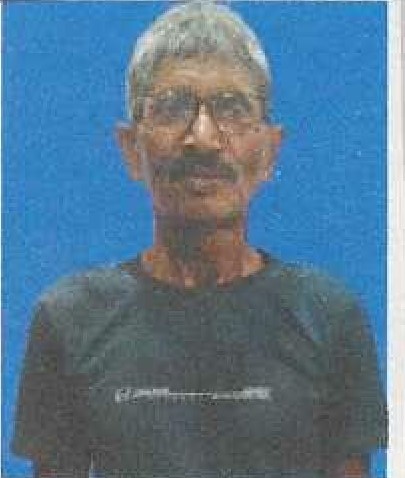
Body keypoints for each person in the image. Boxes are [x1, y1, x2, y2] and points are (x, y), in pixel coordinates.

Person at [12, 2, 387, 477]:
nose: (203, 138)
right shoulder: (70, 320)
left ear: (270, 150)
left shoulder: (328, 318)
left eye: (232, 108)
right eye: (172, 107)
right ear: (131, 148)